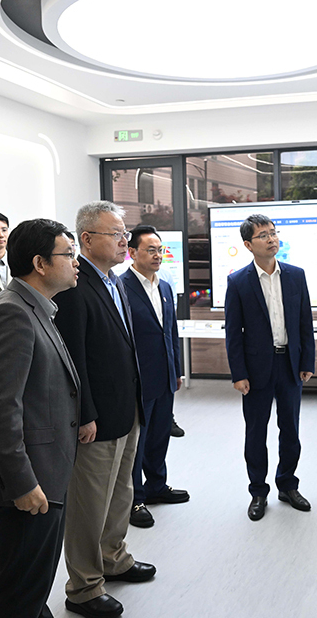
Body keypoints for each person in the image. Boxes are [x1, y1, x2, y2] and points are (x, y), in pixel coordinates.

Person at [0, 218, 81, 618]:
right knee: (20, 591)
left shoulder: (36, 307)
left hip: (47, 468)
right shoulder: (12, 312)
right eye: (68, 254)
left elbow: (20, 390)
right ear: (40, 263)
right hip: (31, 480)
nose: (76, 262)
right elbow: (1, 406)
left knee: (34, 584)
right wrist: (22, 483)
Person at [52, 202, 155, 618]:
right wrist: (86, 414)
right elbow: (74, 359)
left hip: (126, 408)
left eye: (124, 233)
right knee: (88, 506)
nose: (124, 240)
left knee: (121, 493)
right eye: (116, 234)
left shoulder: (115, 281)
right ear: (87, 239)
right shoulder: (74, 286)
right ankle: (83, 587)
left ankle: (113, 558)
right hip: (96, 418)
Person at [224, 214, 315, 521]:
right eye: (263, 235)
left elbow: (305, 322)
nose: (271, 239)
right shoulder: (238, 282)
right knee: (256, 432)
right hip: (256, 369)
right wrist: (239, 374)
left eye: (273, 233)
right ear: (248, 245)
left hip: (289, 364)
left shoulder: (295, 275)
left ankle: (287, 485)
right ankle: (258, 491)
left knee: (290, 430)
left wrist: (307, 361)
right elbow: (233, 333)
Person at [121, 224, 188, 529]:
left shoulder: (164, 286)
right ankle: (134, 498)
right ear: (132, 253)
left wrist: (177, 370)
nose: (157, 255)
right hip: (138, 378)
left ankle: (157, 486)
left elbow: (170, 332)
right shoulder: (121, 287)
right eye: (150, 250)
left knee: (160, 434)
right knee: (137, 441)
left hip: (165, 375)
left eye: (160, 250)